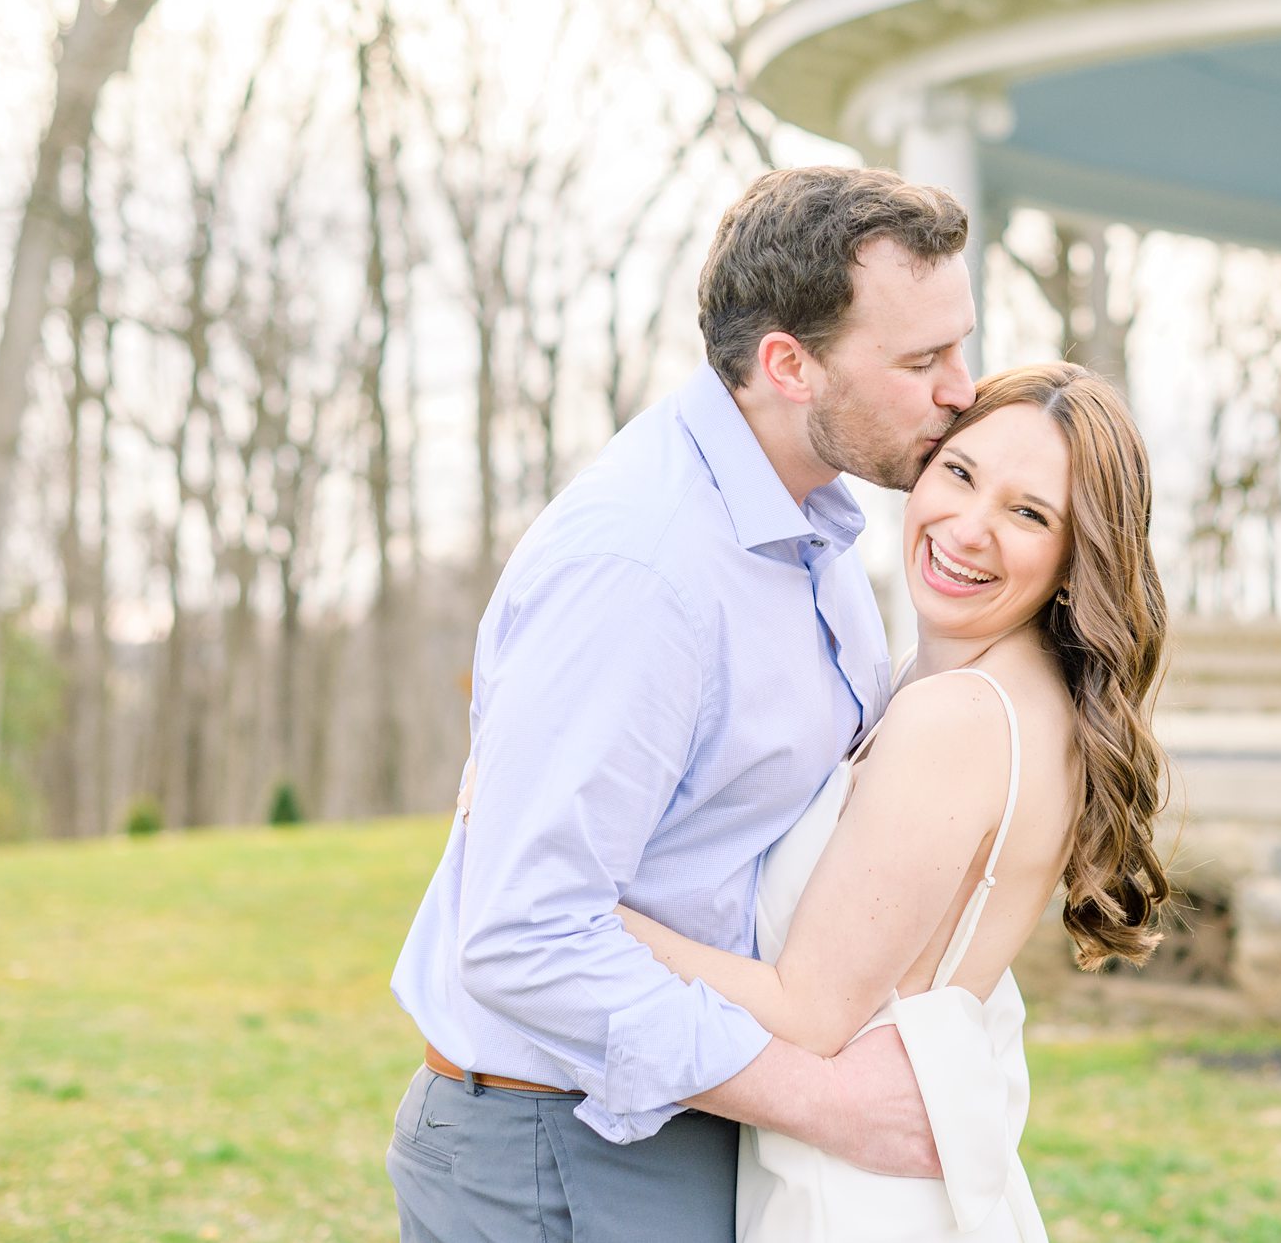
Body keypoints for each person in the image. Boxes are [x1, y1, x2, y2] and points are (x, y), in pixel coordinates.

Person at [387, 165, 979, 1243]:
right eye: (922, 359)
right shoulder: (644, 566)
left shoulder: (820, 535)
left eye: (961, 346)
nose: (961, 389)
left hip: (688, 1114)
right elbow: (524, 934)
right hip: (558, 1146)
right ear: (788, 365)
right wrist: (831, 1102)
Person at [619, 362, 1172, 1241]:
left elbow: (810, 1010)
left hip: (856, 1202)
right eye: (960, 473)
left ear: (1076, 561)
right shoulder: (999, 691)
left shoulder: (957, 716)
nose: (970, 527)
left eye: (1029, 513)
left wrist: (582, 908)